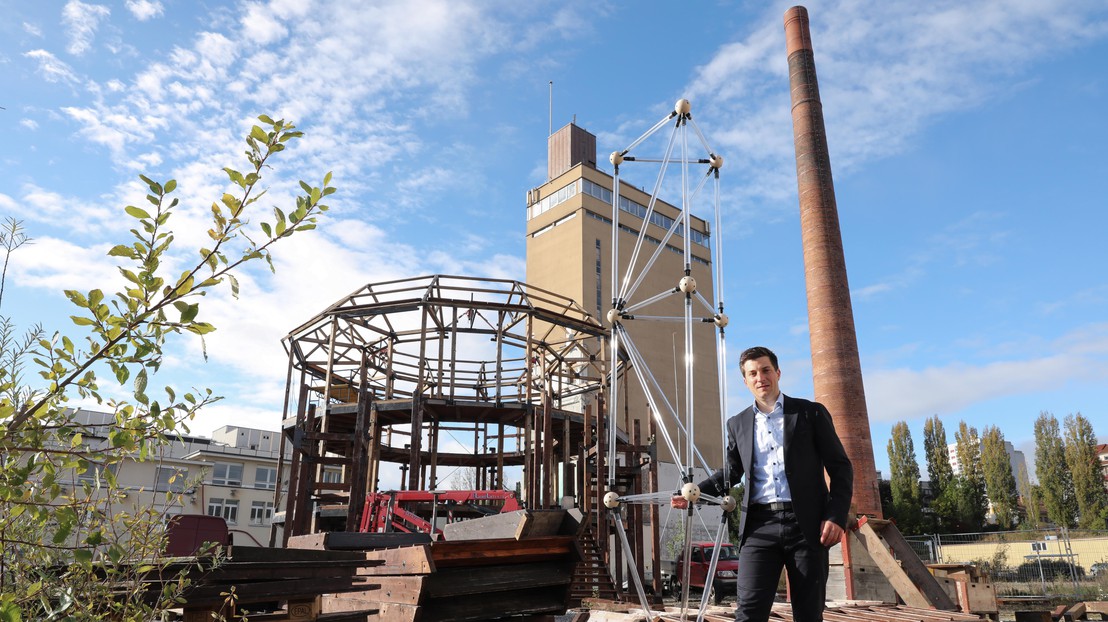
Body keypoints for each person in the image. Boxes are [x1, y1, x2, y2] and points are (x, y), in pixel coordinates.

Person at [675, 346, 853, 621]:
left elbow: (841, 468)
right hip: (759, 527)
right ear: (745, 381)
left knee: (808, 613)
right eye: (753, 373)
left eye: (766, 370)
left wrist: (836, 515)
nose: (760, 377)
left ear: (778, 372)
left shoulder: (810, 413)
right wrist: (695, 493)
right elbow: (732, 473)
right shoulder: (737, 424)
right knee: (749, 612)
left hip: (806, 526)